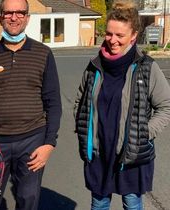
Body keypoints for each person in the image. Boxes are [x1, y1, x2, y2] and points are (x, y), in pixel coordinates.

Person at [0, 0, 62, 209]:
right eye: (8, 13)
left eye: (19, 13)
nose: (14, 18)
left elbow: (53, 102)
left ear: (27, 18)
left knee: (28, 199)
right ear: (0, 17)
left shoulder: (43, 54)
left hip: (32, 140)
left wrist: (49, 144)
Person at [74, 1, 170, 209]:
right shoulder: (94, 66)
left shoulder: (146, 67)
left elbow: (165, 106)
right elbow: (80, 101)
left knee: (131, 202)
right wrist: (84, 129)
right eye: (109, 34)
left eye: (120, 35)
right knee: (99, 204)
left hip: (132, 153)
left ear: (133, 35)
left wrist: (144, 132)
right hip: (99, 154)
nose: (112, 41)